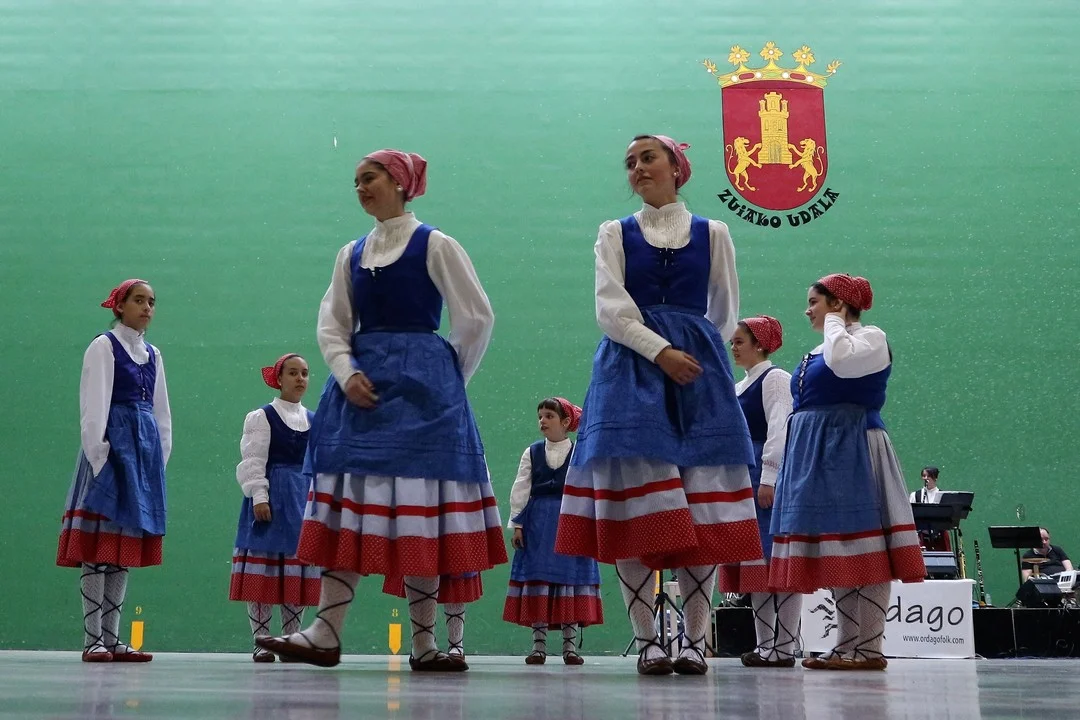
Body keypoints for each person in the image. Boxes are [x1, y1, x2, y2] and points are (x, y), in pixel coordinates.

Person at [256, 149, 506, 671]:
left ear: (399, 182)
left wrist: (447, 377)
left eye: (368, 178)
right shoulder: (350, 254)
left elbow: (476, 317)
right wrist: (346, 372)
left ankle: (425, 644)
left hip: (424, 397)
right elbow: (332, 324)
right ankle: (326, 631)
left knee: (421, 509)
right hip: (361, 394)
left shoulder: (435, 244)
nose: (360, 188)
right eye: (356, 181)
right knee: (351, 502)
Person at [555, 134, 762, 676]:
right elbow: (610, 309)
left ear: (676, 166)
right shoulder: (614, 233)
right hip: (630, 369)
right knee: (634, 507)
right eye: (630, 162)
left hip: (696, 374)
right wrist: (661, 350)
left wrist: (696, 354)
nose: (638, 168)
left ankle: (695, 640)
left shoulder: (714, 233)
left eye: (647, 157)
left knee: (702, 506)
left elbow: (724, 312)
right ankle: (647, 639)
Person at [769, 274, 925, 671]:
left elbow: (841, 362)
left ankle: (869, 648)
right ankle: (846, 644)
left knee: (864, 543)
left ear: (837, 303)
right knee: (838, 546)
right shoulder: (822, 347)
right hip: (818, 452)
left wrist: (836, 320)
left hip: (854, 445)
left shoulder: (870, 338)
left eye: (815, 302)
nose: (807, 310)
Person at [56, 279, 171, 663]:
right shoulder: (104, 346)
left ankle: (113, 638)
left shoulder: (153, 354)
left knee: (121, 550)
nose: (147, 307)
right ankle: (93, 640)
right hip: (109, 457)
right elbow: (93, 407)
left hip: (140, 460)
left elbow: (161, 413)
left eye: (151, 301)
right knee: (98, 548)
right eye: (139, 300)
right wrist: (101, 459)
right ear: (119, 306)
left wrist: (157, 461)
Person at [717, 315, 799, 668]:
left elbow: (780, 429)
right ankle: (766, 646)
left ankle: (786, 646)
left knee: (777, 562)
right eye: (732, 342)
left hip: (764, 478)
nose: (733, 348)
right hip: (742, 479)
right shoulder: (739, 386)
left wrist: (769, 478)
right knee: (757, 566)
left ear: (761, 344)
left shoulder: (776, 379)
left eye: (739, 341)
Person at [229, 354, 322, 662]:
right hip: (272, 498)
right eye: (293, 373)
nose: (300, 379)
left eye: (304, 373)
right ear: (279, 379)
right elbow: (253, 459)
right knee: (265, 570)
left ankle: (289, 641)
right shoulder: (262, 417)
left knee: (297, 569)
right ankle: (262, 642)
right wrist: (259, 496)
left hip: (302, 500)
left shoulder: (314, 420)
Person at [504, 397, 603, 666]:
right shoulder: (532, 452)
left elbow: (590, 486)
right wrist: (518, 525)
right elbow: (521, 488)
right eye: (540, 416)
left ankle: (570, 648)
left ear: (566, 422)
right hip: (538, 525)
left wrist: (591, 524)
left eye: (549, 416)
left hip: (572, 520)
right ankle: (539, 647)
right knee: (539, 579)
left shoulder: (580, 452)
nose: (542, 421)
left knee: (570, 578)